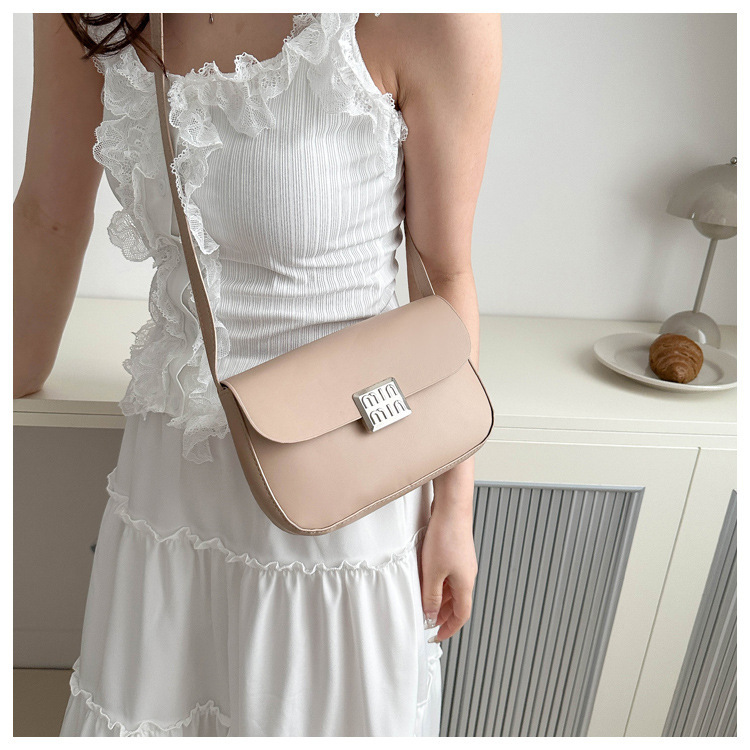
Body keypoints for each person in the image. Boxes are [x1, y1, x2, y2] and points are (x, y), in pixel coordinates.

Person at [14, 12, 502, 737]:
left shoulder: (432, 19)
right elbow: (47, 217)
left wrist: (455, 509)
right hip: (169, 492)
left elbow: (446, 272)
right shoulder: (90, 15)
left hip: (345, 490)